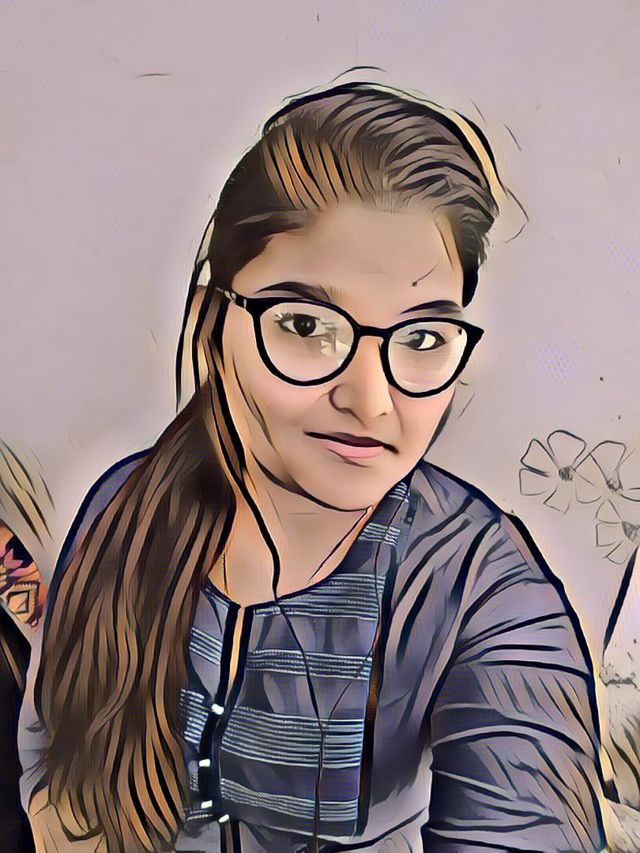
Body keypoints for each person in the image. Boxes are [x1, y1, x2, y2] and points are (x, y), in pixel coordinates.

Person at [18, 81, 609, 852]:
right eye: (306, 324)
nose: (371, 400)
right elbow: (52, 767)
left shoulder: (479, 587)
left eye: (422, 339)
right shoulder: (123, 506)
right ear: (210, 324)